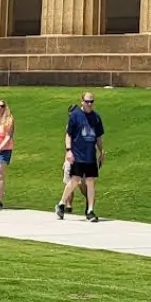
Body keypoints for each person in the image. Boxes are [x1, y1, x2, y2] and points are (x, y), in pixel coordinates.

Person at [57, 92, 105, 221]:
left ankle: (90, 210)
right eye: (87, 101)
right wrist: (69, 150)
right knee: (75, 180)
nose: (90, 104)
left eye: (92, 101)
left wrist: (101, 151)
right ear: (82, 101)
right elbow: (69, 135)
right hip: (78, 154)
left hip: (90, 155)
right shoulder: (75, 116)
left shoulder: (96, 118)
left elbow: (99, 136)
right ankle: (62, 203)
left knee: (90, 182)